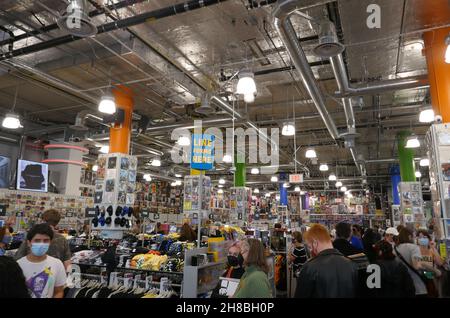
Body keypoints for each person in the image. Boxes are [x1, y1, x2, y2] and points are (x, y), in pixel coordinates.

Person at [295, 224, 358, 298]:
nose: (310, 250)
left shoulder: (310, 267)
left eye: (309, 247)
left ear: (315, 243)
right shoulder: (351, 264)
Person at [17, 223, 67, 298]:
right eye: (37, 240)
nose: (41, 244)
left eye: (46, 240)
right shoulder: (18, 265)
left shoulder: (57, 264)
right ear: (29, 243)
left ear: (50, 242)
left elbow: (59, 291)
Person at [395, 227, 430, 297]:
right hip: (417, 285)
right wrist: (430, 270)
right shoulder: (414, 248)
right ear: (409, 236)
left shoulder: (395, 248)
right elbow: (417, 266)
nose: (416, 239)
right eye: (415, 236)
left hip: (401, 286)